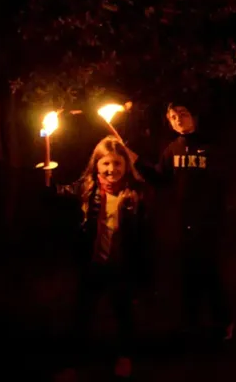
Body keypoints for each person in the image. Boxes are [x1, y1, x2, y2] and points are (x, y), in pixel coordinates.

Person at [129, 101, 234, 342]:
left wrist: (216, 217)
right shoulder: (172, 149)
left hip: (209, 221)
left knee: (210, 272)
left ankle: (224, 320)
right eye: (173, 117)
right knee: (188, 272)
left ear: (192, 116)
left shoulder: (209, 145)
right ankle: (190, 322)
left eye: (182, 113)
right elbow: (160, 178)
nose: (178, 119)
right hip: (184, 221)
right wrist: (135, 160)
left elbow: (221, 181)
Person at [52, 136, 151, 381]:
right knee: (81, 315)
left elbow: (144, 236)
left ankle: (125, 356)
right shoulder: (87, 188)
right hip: (94, 264)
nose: (111, 169)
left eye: (117, 163)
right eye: (106, 163)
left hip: (122, 266)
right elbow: (60, 194)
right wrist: (48, 182)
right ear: (96, 164)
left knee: (124, 314)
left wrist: (143, 272)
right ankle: (71, 363)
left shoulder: (135, 194)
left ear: (126, 166)